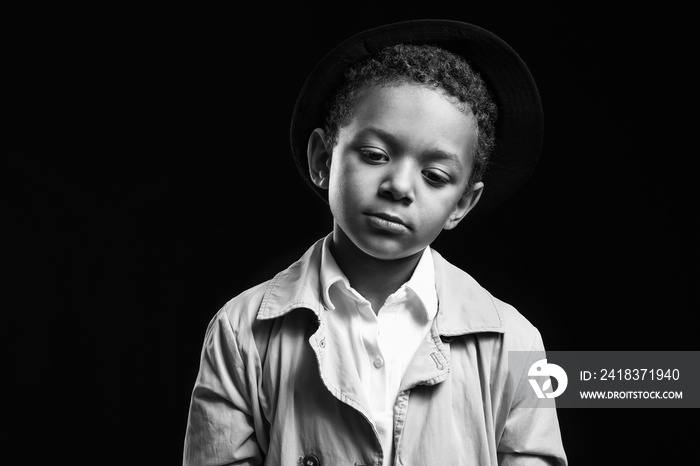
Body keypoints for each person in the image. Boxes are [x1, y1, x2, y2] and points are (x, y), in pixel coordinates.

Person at [183, 19, 567, 466]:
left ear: (462, 203)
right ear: (323, 159)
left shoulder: (515, 341)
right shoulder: (241, 330)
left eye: (435, 176)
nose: (400, 186)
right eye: (374, 155)